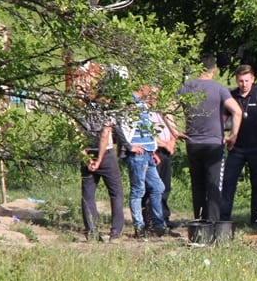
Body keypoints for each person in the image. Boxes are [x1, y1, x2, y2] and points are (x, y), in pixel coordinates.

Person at [176, 54, 243, 222]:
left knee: (197, 184)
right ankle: (213, 223)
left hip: (193, 143)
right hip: (214, 144)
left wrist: (175, 131)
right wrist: (233, 136)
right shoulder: (219, 89)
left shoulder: (186, 87)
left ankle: (199, 223)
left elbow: (166, 110)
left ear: (198, 68)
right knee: (214, 185)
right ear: (215, 69)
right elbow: (237, 111)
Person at [221, 64, 257, 229]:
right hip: (236, 149)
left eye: (247, 81)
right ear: (236, 80)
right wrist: (221, 137)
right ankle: (224, 219)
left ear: (253, 79)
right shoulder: (232, 96)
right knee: (228, 183)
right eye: (241, 81)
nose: (244, 84)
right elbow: (222, 120)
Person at [74, 64, 127, 242]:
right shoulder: (107, 110)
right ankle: (115, 233)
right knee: (116, 193)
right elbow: (105, 134)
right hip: (106, 153)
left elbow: (75, 134)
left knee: (88, 194)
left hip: (87, 151)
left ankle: (91, 232)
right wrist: (99, 158)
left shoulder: (81, 110)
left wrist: (85, 156)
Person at [121, 85, 175, 238]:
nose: (154, 98)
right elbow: (121, 126)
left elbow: (147, 131)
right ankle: (139, 227)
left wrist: (153, 150)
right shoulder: (131, 104)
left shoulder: (144, 106)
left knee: (158, 187)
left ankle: (158, 224)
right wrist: (129, 146)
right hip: (138, 154)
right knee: (138, 190)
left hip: (148, 153)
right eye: (152, 94)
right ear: (144, 88)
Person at [141, 86, 179, 228]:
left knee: (165, 186)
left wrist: (172, 142)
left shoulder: (163, 110)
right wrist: (164, 144)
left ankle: (164, 216)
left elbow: (173, 128)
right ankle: (149, 218)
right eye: (151, 94)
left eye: (156, 94)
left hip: (166, 151)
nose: (154, 98)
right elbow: (148, 133)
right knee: (152, 186)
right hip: (154, 150)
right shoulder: (143, 112)